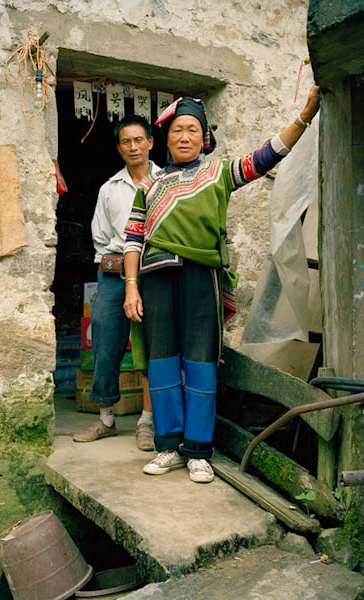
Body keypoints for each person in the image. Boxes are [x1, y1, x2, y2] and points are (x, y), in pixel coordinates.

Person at [123, 86, 321, 482]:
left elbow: (266, 155)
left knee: (201, 363)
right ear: (167, 137)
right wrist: (131, 287)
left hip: (202, 279)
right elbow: (133, 238)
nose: (184, 137)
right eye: (178, 130)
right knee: (162, 364)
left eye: (193, 130)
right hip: (156, 280)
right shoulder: (150, 185)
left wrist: (306, 114)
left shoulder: (219, 173)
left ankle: (197, 451)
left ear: (204, 138)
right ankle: (168, 447)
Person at [73, 114, 161, 449]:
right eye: (126, 141)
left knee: (153, 346)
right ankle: (107, 418)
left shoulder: (166, 181)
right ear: (119, 148)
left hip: (155, 272)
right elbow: (101, 240)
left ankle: (147, 422)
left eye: (139, 140)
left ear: (151, 143)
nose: (133, 147)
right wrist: (118, 269)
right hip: (113, 275)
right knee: (106, 341)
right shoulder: (109, 189)